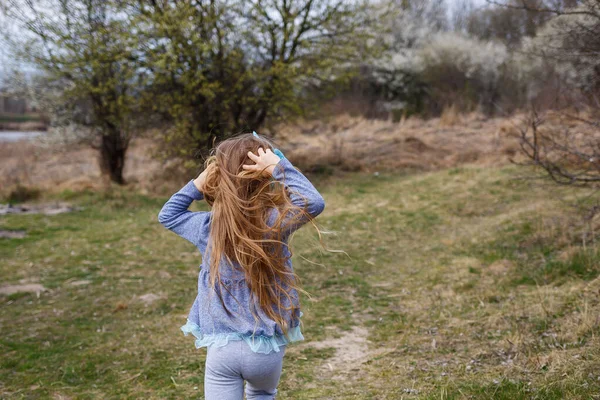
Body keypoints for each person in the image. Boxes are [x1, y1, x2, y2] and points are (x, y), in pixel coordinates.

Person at [157, 132, 326, 399]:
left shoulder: (207, 228)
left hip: (222, 350)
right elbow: (314, 201)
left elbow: (168, 215)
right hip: (266, 351)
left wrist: (197, 185)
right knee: (262, 394)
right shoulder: (274, 220)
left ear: (218, 178)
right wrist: (278, 166)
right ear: (264, 180)